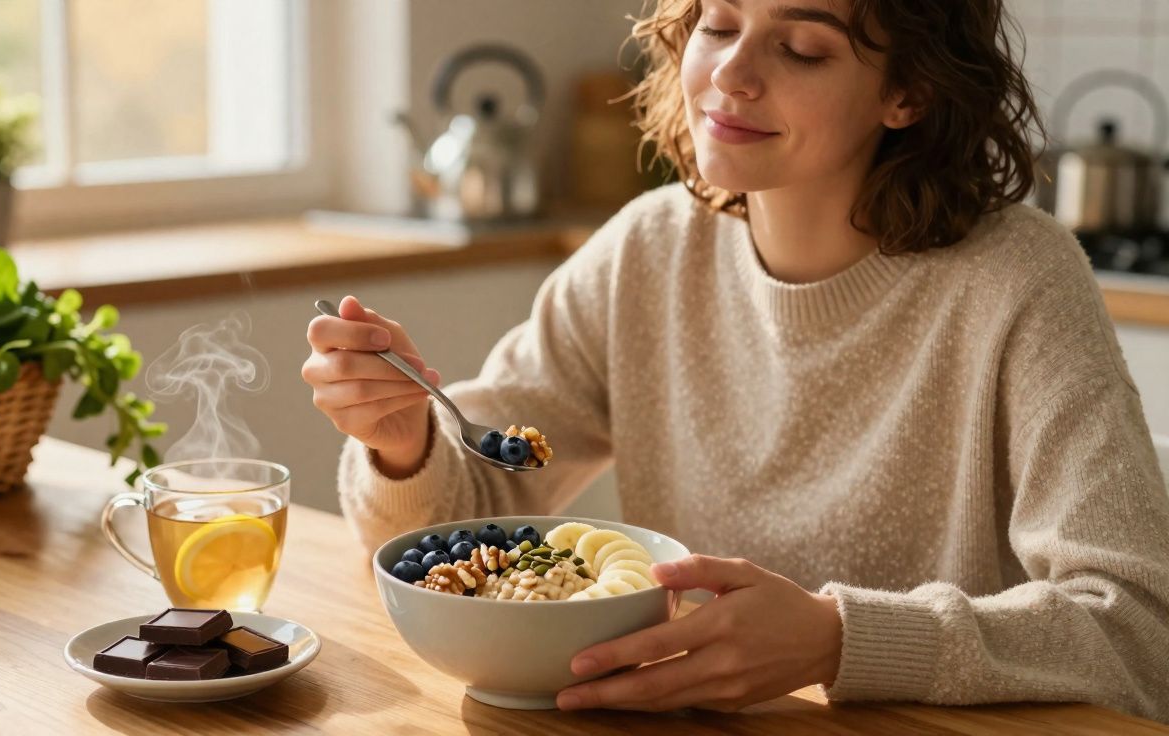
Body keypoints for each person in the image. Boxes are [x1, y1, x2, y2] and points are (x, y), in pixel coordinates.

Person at [302, 0, 1169, 721]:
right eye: (717, 24)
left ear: (908, 90)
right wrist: (404, 440)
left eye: (799, 47)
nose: (732, 73)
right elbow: (464, 514)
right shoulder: (648, 250)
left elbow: (1136, 629)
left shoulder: (1018, 279)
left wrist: (839, 639)